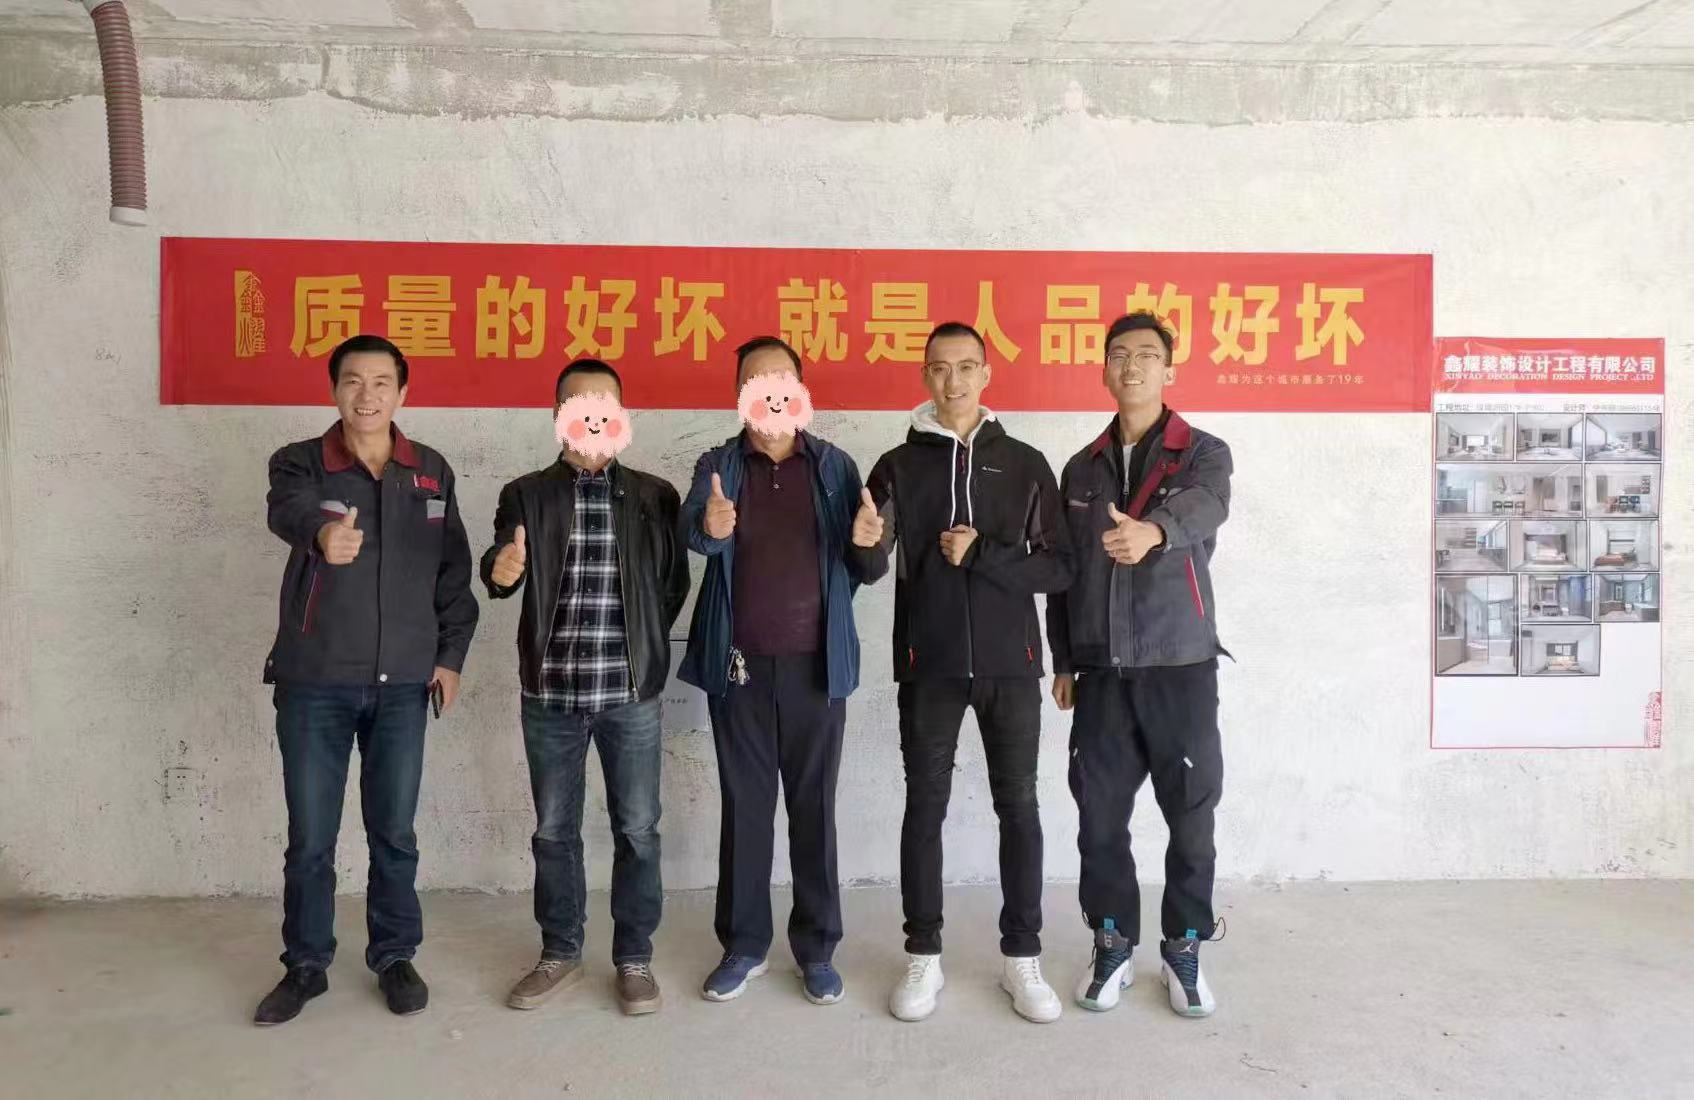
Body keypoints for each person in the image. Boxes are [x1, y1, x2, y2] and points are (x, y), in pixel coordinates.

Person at [255, 334, 479, 1025]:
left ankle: (394, 955)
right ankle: (305, 964)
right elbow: (287, 509)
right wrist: (323, 535)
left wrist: (450, 657)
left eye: (382, 382)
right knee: (311, 838)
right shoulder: (300, 462)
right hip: (314, 682)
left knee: (395, 832)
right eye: (353, 381)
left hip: (404, 685)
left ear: (402, 393)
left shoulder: (430, 471)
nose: (367, 395)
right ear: (334, 390)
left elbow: (454, 573)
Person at [865, 322, 1071, 1024]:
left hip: (1013, 667)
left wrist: (984, 553)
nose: (951, 381)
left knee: (1020, 806)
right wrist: (862, 545)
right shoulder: (897, 466)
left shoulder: (1026, 464)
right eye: (938, 368)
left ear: (986, 373)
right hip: (929, 665)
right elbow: (870, 562)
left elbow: (1059, 567)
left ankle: (1023, 957)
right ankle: (923, 955)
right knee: (925, 806)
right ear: (925, 376)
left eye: (965, 367)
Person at [679, 336, 888, 1006]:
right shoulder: (718, 465)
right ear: (738, 394)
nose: (769, 389)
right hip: (739, 668)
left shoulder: (834, 466)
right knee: (745, 810)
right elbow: (695, 533)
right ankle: (743, 946)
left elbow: (867, 564)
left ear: (800, 387)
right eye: (755, 379)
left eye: (781, 377)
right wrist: (712, 527)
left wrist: (871, 543)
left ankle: (817, 949)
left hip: (817, 669)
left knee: (813, 810)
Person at [483, 359, 689, 1016]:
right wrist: (501, 570)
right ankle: (560, 952)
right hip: (551, 695)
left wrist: (644, 648)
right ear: (557, 416)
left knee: (639, 830)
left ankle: (634, 958)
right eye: (577, 404)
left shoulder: (656, 496)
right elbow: (502, 565)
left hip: (631, 696)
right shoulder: (525, 494)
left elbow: (672, 586)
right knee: (553, 831)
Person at [1047, 311, 1233, 1018]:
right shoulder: (1081, 468)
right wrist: (1066, 659)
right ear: (1103, 368)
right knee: (1098, 816)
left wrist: (1155, 530)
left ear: (1169, 370)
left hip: (1179, 664)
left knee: (1190, 814)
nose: (1132, 366)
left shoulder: (1202, 452)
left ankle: (1183, 944)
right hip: (1101, 672)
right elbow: (1063, 573)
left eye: (1148, 355)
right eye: (1119, 354)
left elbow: (1207, 507)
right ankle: (1112, 940)